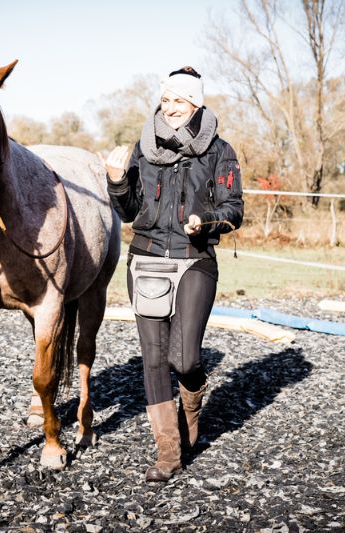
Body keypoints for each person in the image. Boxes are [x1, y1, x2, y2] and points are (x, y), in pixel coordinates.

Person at [102, 66, 243, 482]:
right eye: (166, 99)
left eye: (179, 100)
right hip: (146, 258)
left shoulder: (220, 151)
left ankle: (193, 402)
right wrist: (115, 182)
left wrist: (207, 220)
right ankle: (168, 451)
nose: (170, 107)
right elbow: (128, 213)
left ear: (196, 104)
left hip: (194, 258)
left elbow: (235, 210)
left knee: (184, 358)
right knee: (152, 359)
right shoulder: (143, 149)